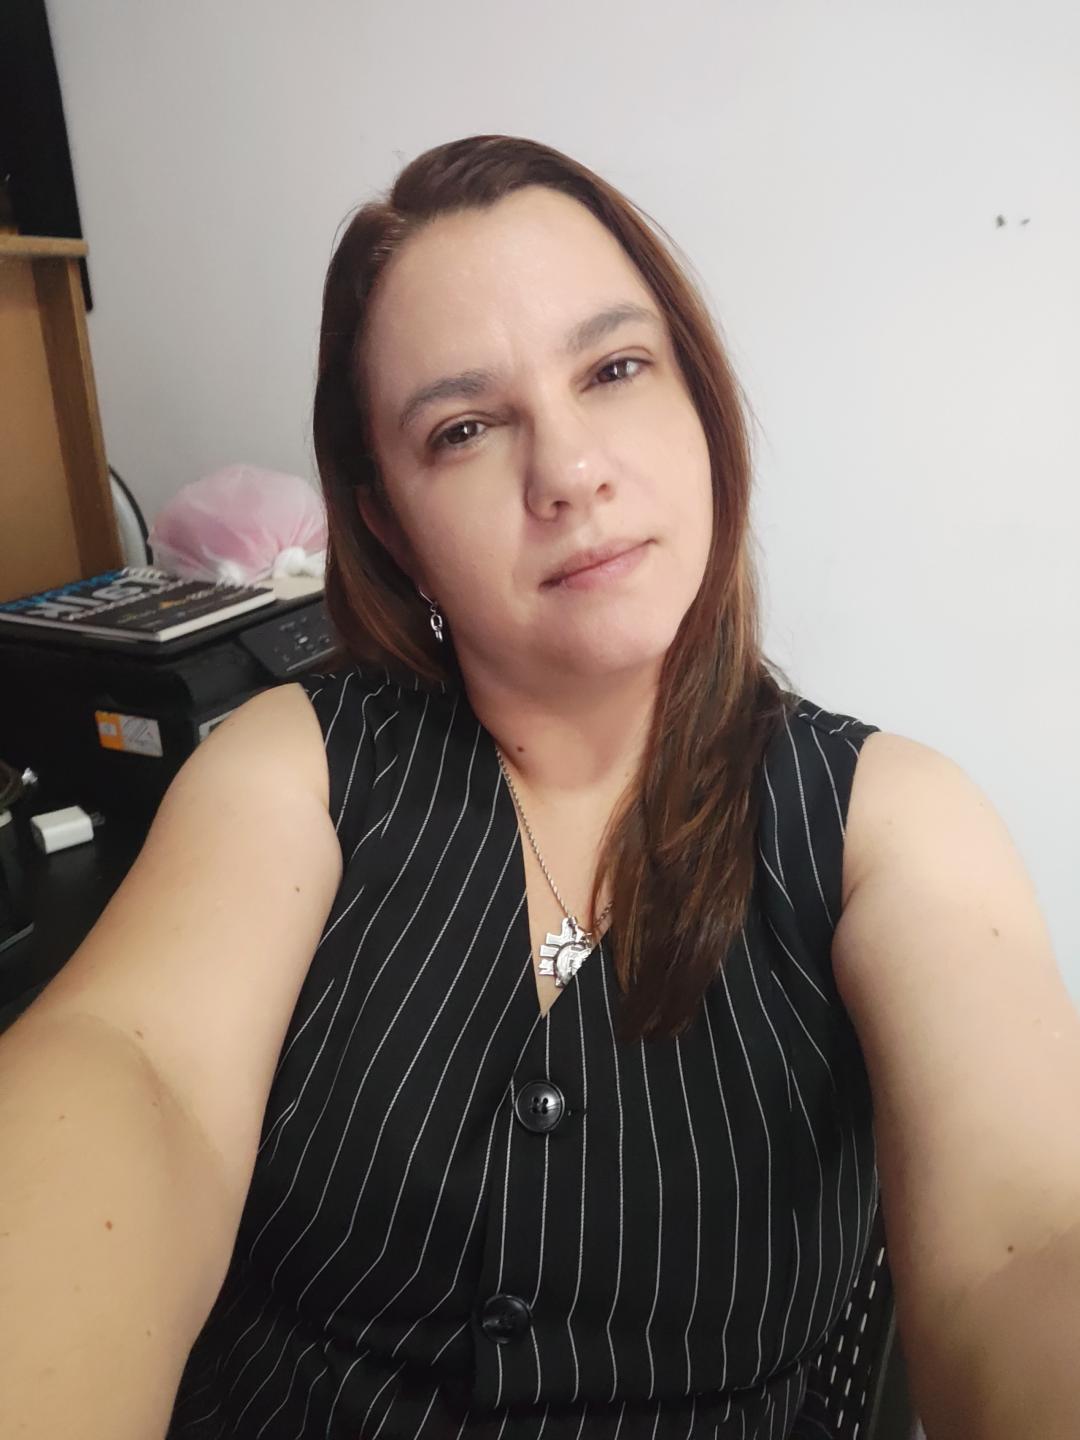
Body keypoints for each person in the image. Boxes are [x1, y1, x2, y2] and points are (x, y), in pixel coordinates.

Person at [3, 135, 1079, 1440]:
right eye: (462, 429)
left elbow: (1031, 1239)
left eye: (615, 370)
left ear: (700, 402)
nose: (568, 472)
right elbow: (135, 1074)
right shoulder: (292, 772)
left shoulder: (889, 822)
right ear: (390, 524)